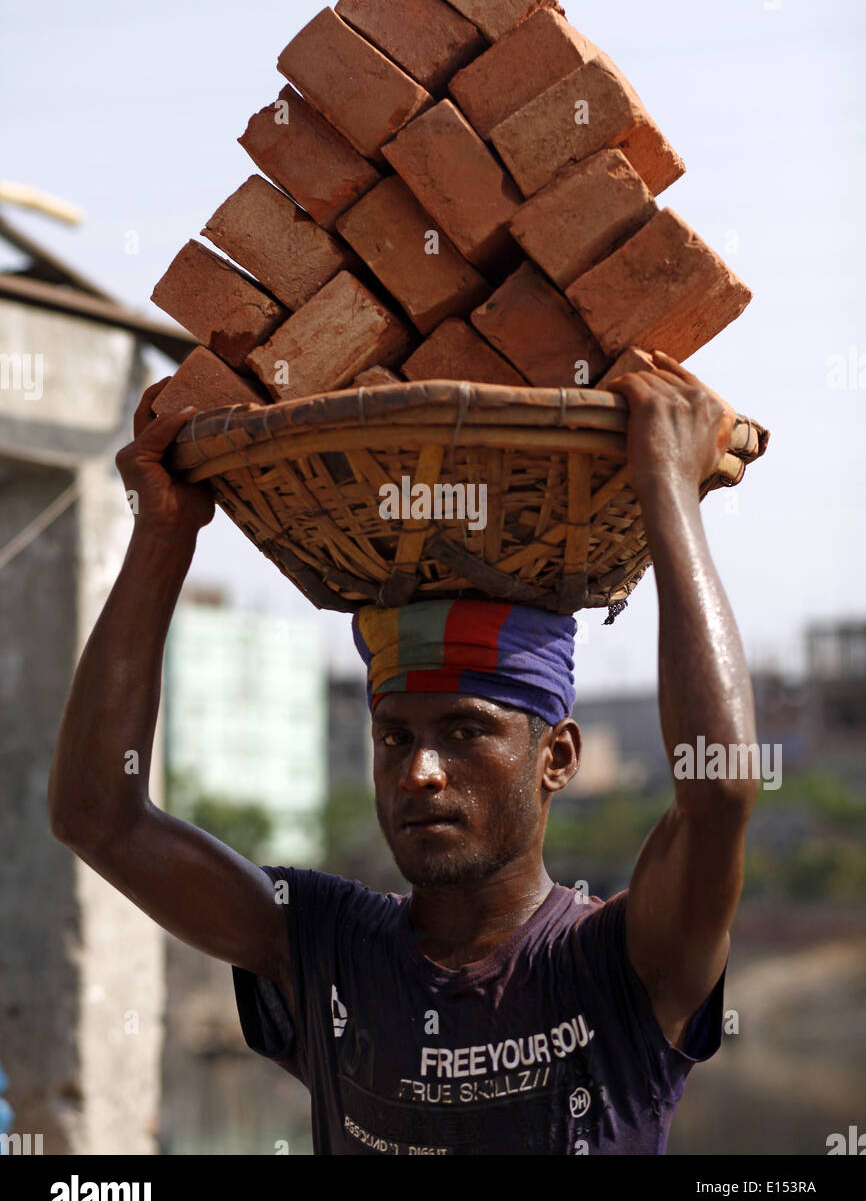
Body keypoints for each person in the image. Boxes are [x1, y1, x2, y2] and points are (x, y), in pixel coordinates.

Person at [48, 350, 760, 1155]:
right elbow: (97, 816)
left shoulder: (624, 960)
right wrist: (164, 533)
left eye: (464, 732)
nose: (419, 771)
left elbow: (721, 788)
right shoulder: (318, 944)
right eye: (396, 738)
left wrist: (667, 485)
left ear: (556, 757)